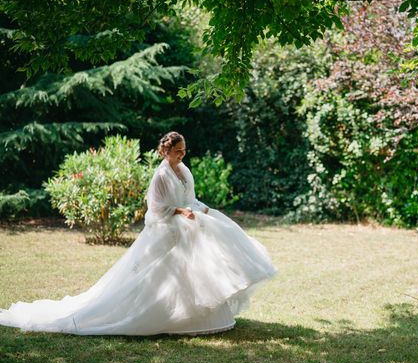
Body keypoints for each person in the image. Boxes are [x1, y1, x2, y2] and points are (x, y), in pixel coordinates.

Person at [0, 132, 277, 335]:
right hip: (167, 229)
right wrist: (181, 213)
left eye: (183, 151)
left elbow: (190, 197)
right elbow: (157, 210)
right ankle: (163, 316)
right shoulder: (160, 177)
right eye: (177, 152)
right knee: (163, 273)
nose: (182, 155)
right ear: (165, 152)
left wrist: (201, 210)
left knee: (204, 257)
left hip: (189, 222)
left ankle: (195, 314)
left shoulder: (183, 170)